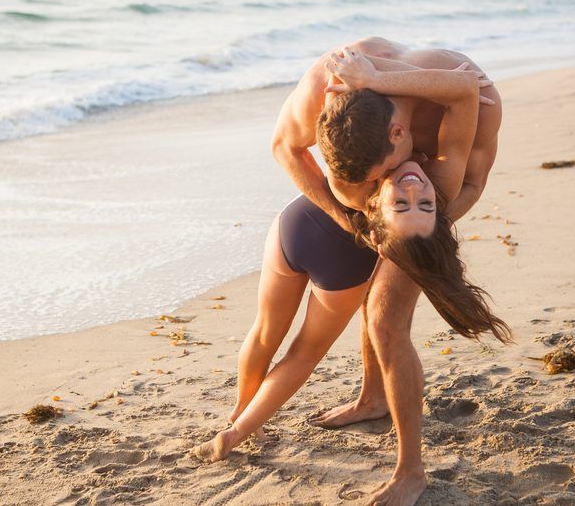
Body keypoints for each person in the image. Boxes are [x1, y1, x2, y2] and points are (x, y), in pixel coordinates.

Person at [190, 60, 509, 477]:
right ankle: (244, 420)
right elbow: (464, 93)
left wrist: (368, 82)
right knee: (297, 344)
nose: (414, 189)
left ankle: (243, 420)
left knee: (277, 332)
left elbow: (463, 116)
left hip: (296, 228)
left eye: (412, 204)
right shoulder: (422, 175)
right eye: (421, 203)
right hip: (328, 242)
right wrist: (377, 80)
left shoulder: (355, 169)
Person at [273, 38, 505, 506]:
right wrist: (352, 221)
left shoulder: (443, 164)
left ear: (401, 136)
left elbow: (474, 177)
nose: (405, 179)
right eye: (382, 182)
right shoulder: (331, 91)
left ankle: (410, 472)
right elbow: (283, 147)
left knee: (384, 319)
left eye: (390, 174)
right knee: (370, 298)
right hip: (383, 110)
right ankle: (372, 399)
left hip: (441, 199)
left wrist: (426, 220)